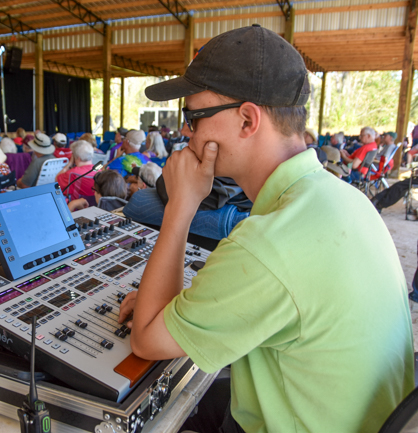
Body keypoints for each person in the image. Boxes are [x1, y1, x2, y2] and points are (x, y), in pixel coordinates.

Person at [116, 25, 413, 433]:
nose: (186, 132)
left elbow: (147, 338)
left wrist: (181, 206)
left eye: (193, 117)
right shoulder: (347, 200)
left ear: (247, 120)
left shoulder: (266, 245)